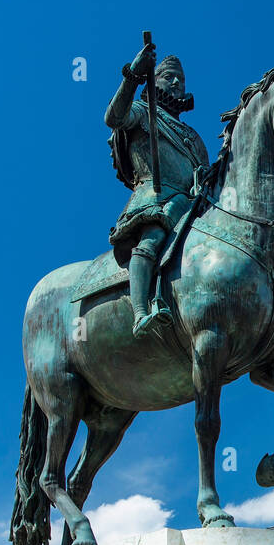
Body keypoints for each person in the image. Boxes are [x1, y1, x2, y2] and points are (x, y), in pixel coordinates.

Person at [106, 42, 209, 336]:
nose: (177, 83)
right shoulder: (141, 111)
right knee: (151, 241)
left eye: (182, 79)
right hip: (155, 198)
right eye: (169, 77)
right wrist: (133, 76)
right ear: (156, 79)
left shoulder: (193, 137)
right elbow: (113, 118)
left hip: (191, 207)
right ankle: (140, 312)